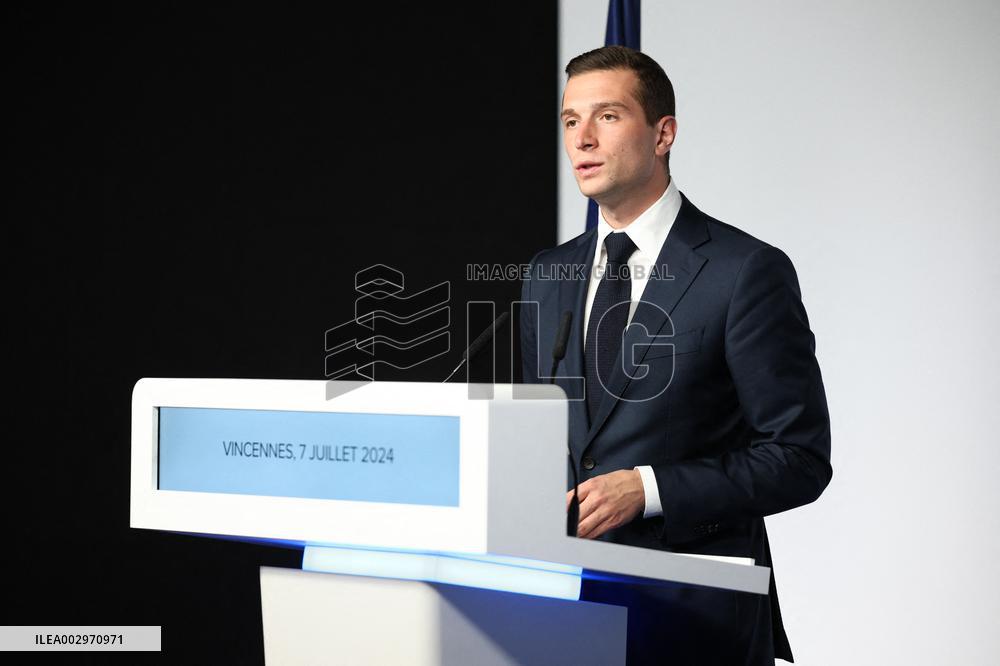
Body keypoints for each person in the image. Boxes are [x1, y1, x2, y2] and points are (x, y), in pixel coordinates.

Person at [519, 45, 832, 664]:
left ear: (664, 133)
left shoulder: (745, 272)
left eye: (607, 116)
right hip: (563, 611)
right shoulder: (546, 274)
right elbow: (544, 441)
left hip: (695, 618)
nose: (582, 139)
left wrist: (650, 488)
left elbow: (799, 457)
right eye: (569, 120)